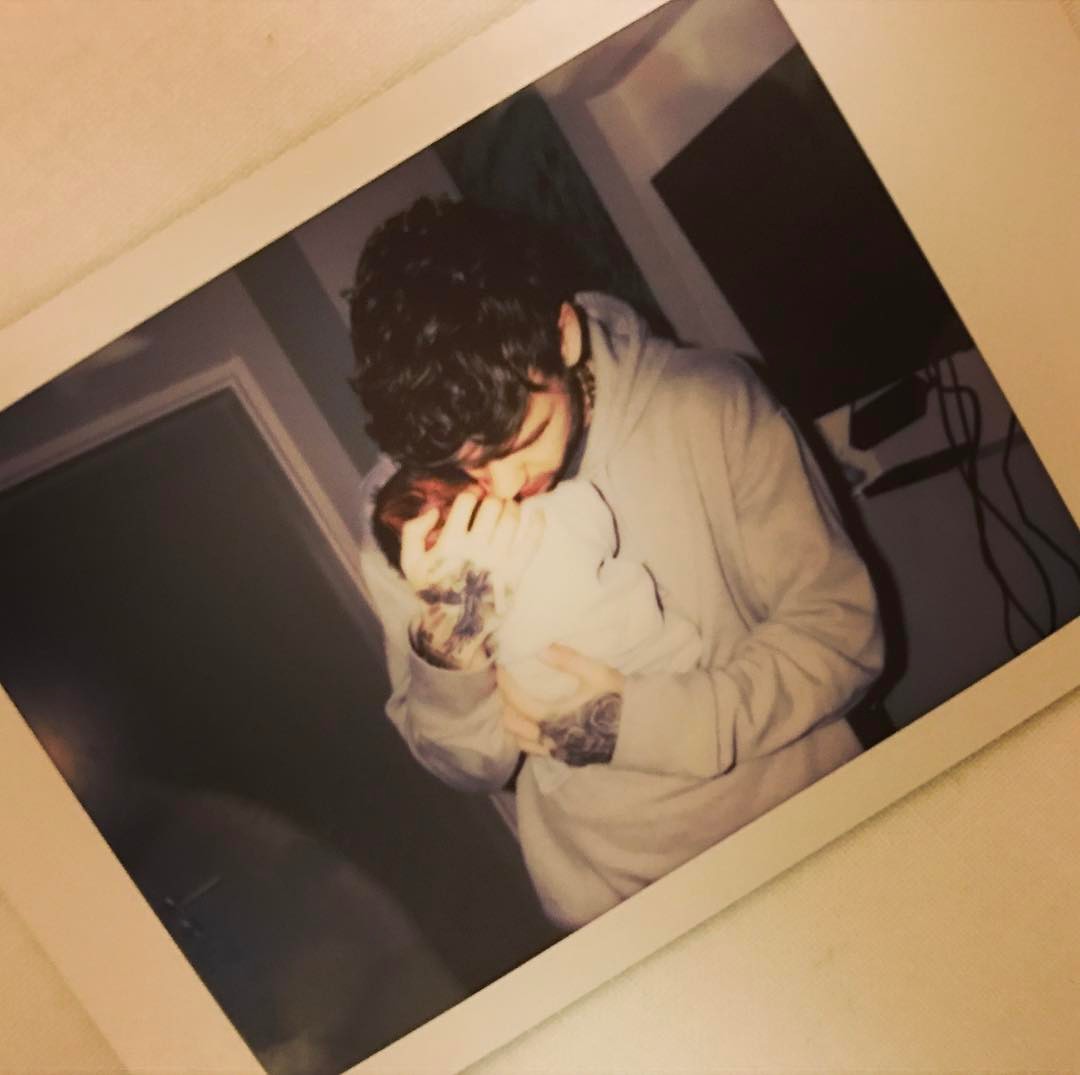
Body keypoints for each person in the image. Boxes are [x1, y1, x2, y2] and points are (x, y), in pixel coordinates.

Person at [350, 196, 884, 928]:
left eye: (523, 439)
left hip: (813, 832)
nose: (504, 486)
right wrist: (450, 642)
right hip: (626, 911)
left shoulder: (708, 402)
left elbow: (844, 639)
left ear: (564, 335)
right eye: (467, 464)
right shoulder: (411, 515)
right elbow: (469, 767)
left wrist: (634, 725)